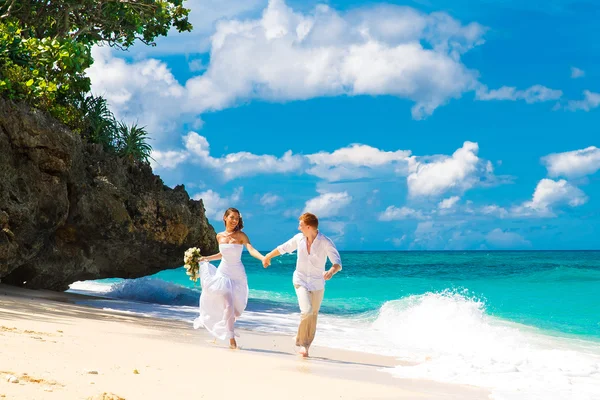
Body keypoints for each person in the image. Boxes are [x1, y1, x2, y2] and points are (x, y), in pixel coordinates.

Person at [262, 212, 342, 357]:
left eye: (301, 225)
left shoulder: (325, 242)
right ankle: (302, 344)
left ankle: (306, 346)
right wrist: (268, 256)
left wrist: (331, 271)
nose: (299, 228)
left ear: (309, 227)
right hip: (300, 281)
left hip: (318, 284)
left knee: (313, 315)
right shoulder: (299, 239)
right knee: (307, 311)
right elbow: (283, 248)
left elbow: (337, 263)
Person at [193, 207, 265, 349]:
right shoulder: (219, 236)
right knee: (228, 305)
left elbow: (251, 250)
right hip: (223, 274)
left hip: (238, 275)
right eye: (232, 217)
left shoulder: (241, 236)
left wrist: (263, 258)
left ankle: (224, 329)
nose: (234, 221)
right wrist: (206, 258)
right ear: (225, 217)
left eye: (237, 218)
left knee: (236, 310)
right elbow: (222, 254)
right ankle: (232, 341)